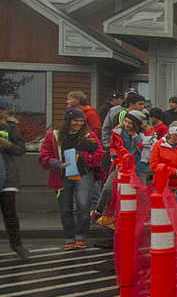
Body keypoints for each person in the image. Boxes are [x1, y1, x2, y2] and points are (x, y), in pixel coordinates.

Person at [40, 108, 104, 249]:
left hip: (83, 174)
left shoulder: (89, 135)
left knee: (83, 205)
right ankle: (69, 238)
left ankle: (81, 236)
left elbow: (100, 152)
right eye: (76, 121)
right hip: (62, 175)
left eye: (81, 121)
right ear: (68, 121)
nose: (79, 123)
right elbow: (44, 155)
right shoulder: (54, 136)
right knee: (65, 208)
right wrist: (56, 163)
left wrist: (86, 157)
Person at [0, 99, 29, 259]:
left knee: (10, 214)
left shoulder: (12, 128)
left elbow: (20, 150)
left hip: (7, 178)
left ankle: (17, 245)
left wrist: (6, 144)